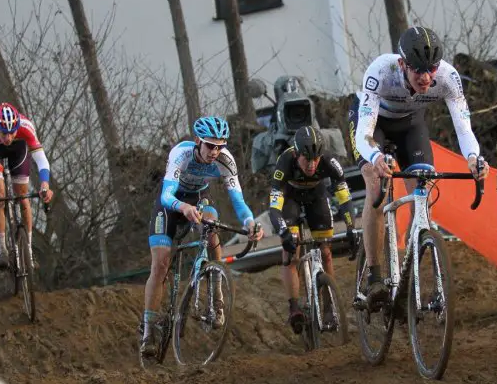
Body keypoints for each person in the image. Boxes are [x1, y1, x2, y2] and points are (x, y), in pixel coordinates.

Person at [348, 26, 490, 311]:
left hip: (410, 125)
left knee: (423, 191)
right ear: (402, 64)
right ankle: (375, 276)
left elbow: (464, 128)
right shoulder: (381, 71)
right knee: (375, 184)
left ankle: (410, 272)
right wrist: (375, 157)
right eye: (418, 70)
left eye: (431, 69)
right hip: (374, 127)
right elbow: (364, 132)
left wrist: (474, 158)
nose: (426, 77)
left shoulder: (448, 78)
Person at [141, 116, 264, 359]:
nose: (215, 152)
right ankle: (148, 330)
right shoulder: (181, 154)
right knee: (161, 264)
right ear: (198, 141)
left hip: (199, 199)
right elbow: (166, 194)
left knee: (212, 229)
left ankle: (216, 294)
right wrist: (183, 207)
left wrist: (250, 222)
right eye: (210, 145)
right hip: (171, 204)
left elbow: (238, 201)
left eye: (220, 146)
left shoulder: (226, 161)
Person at [268, 126, 358, 334]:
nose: (312, 164)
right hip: (289, 197)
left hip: (316, 196)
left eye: (316, 159)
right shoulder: (285, 162)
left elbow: (344, 199)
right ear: (297, 154)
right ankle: (294, 308)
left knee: (325, 251)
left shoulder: (329, 161)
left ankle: (329, 308)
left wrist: (351, 227)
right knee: (291, 253)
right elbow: (274, 208)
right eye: (307, 159)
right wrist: (283, 232)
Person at [0, 102, 54, 269]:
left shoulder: (26, 127)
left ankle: (29, 251)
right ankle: (2, 250)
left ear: (17, 127)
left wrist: (45, 184)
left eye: (12, 132)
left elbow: (41, 159)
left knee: (23, 198)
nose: (8, 137)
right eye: (4, 133)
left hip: (19, 150)